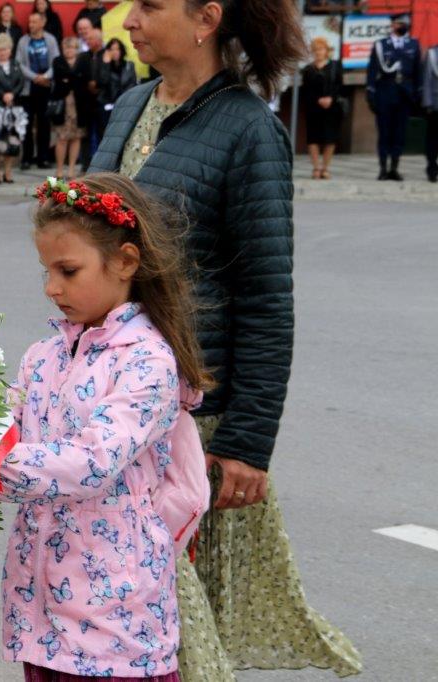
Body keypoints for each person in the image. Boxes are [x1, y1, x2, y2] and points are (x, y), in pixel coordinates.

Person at [88, 0, 364, 678]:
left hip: (189, 419)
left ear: (206, 18)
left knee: (166, 612)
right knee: (116, 611)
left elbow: (268, 300)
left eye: (149, 6)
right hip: (107, 401)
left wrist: (247, 441)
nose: (128, 20)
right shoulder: (130, 106)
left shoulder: (248, 130)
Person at [0, 172, 214, 681]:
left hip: (115, 624)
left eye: (68, 271)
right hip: (42, 614)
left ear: (126, 262)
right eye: (46, 271)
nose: (51, 288)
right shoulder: (43, 356)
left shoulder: (148, 363)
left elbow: (90, 463)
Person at [367, 14, 421, 181]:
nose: (403, 25)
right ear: (392, 25)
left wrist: (418, 93)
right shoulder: (381, 45)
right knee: (384, 132)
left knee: (400, 133)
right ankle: (383, 168)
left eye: (405, 23)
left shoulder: (413, 44)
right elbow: (372, 70)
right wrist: (370, 93)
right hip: (385, 92)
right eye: (399, 23)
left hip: (405, 94)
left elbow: (418, 71)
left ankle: (394, 168)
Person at [17, 12, 59, 170]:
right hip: (28, 88)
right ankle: (26, 158)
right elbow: (19, 63)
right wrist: (35, 77)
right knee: (26, 124)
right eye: (29, 21)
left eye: (34, 21)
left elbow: (55, 61)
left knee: (44, 124)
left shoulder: (50, 40)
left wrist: (46, 76)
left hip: (45, 87)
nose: (31, 24)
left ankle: (43, 158)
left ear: (42, 23)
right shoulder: (23, 41)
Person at [0, 33, 27, 184]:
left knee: (12, 140)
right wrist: (3, 95)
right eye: (0, 50)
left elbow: (21, 82)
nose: (2, 52)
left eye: (5, 49)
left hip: (13, 107)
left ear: (10, 50)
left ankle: (8, 171)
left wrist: (12, 95)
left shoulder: (16, 64)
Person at [301, 37, 343, 180]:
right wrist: (317, 100)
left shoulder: (335, 66)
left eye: (321, 49)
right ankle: (316, 168)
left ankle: (325, 168)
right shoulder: (308, 69)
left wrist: (330, 98)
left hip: (332, 107)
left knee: (330, 138)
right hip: (314, 107)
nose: (318, 52)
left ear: (326, 51)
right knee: (313, 138)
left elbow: (339, 85)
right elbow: (306, 89)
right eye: (316, 50)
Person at [50, 37, 86, 179]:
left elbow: (83, 80)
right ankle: (59, 169)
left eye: (72, 48)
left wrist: (70, 79)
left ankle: (71, 169)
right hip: (62, 104)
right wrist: (74, 78)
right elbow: (60, 80)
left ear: (76, 49)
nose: (69, 50)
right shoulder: (57, 61)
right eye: (66, 48)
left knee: (76, 137)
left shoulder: (82, 61)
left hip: (79, 105)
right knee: (62, 138)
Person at [75, 20, 105, 170]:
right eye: (87, 39)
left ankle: (101, 164)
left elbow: (110, 77)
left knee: (102, 133)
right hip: (86, 101)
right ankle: (85, 164)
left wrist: (98, 86)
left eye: (91, 39)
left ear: (99, 40)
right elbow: (77, 77)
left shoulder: (106, 56)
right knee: (85, 134)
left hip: (102, 101)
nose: (88, 41)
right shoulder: (83, 57)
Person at [96, 38, 138, 134]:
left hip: (125, 105)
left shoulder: (129, 65)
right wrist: (105, 64)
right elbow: (103, 82)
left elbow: (133, 84)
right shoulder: (103, 65)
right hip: (107, 105)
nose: (115, 52)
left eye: (117, 49)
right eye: (112, 49)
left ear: (121, 50)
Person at [425, 40, 438, 183]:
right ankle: (432, 169)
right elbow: (427, 80)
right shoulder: (432, 53)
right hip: (435, 104)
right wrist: (427, 102)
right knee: (433, 140)